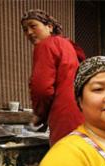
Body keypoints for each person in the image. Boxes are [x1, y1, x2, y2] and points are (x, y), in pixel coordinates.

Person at [21, 9, 85, 146]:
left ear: (49, 27)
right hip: (83, 112)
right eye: (25, 30)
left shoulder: (45, 45)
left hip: (64, 115)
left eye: (33, 26)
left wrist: (39, 114)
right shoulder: (68, 45)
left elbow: (42, 88)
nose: (29, 33)